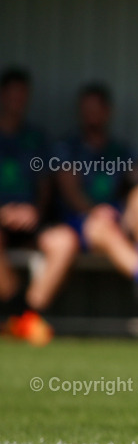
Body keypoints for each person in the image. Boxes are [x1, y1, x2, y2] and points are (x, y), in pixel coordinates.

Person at [54, 83, 138, 301]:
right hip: (82, 221)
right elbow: (71, 193)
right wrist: (94, 210)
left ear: (107, 112)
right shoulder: (68, 147)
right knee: (102, 224)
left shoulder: (119, 148)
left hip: (116, 217)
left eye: (96, 110)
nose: (91, 116)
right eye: (87, 110)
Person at [0, 68, 78, 345]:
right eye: (13, 95)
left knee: (65, 241)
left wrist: (35, 210)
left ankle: (26, 316)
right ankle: (18, 313)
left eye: (23, 96)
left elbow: (45, 186)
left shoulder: (36, 137)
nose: (18, 101)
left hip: (31, 220)